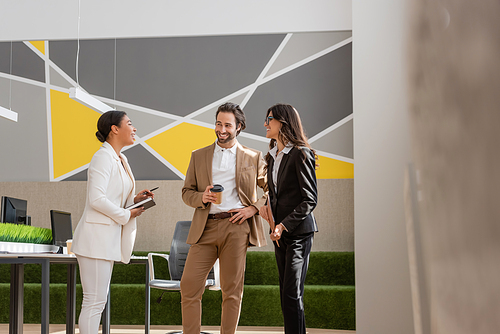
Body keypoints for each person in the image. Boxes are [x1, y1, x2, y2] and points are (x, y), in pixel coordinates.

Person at [181, 102, 268, 334]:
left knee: (232, 290)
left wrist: (253, 209)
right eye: (218, 123)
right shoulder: (198, 156)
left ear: (239, 127)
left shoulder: (253, 157)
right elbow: (186, 192)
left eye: (228, 125)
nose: (222, 129)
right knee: (188, 286)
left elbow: (272, 190)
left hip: (236, 227)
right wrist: (203, 197)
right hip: (205, 227)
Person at [71, 110, 154, 334]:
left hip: (106, 240)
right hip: (95, 240)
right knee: (94, 301)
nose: (134, 128)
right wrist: (127, 214)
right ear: (114, 129)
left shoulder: (121, 158)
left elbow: (113, 197)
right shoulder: (102, 157)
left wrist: (135, 200)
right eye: (130, 123)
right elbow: (96, 199)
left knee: (98, 300)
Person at [259, 103, 318, 334]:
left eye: (269, 119)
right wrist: (266, 207)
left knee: (292, 294)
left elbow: (309, 199)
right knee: (287, 296)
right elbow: (276, 193)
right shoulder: (273, 156)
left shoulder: (301, 153)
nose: (265, 124)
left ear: (283, 122)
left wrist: (284, 225)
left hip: (299, 234)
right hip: (279, 236)